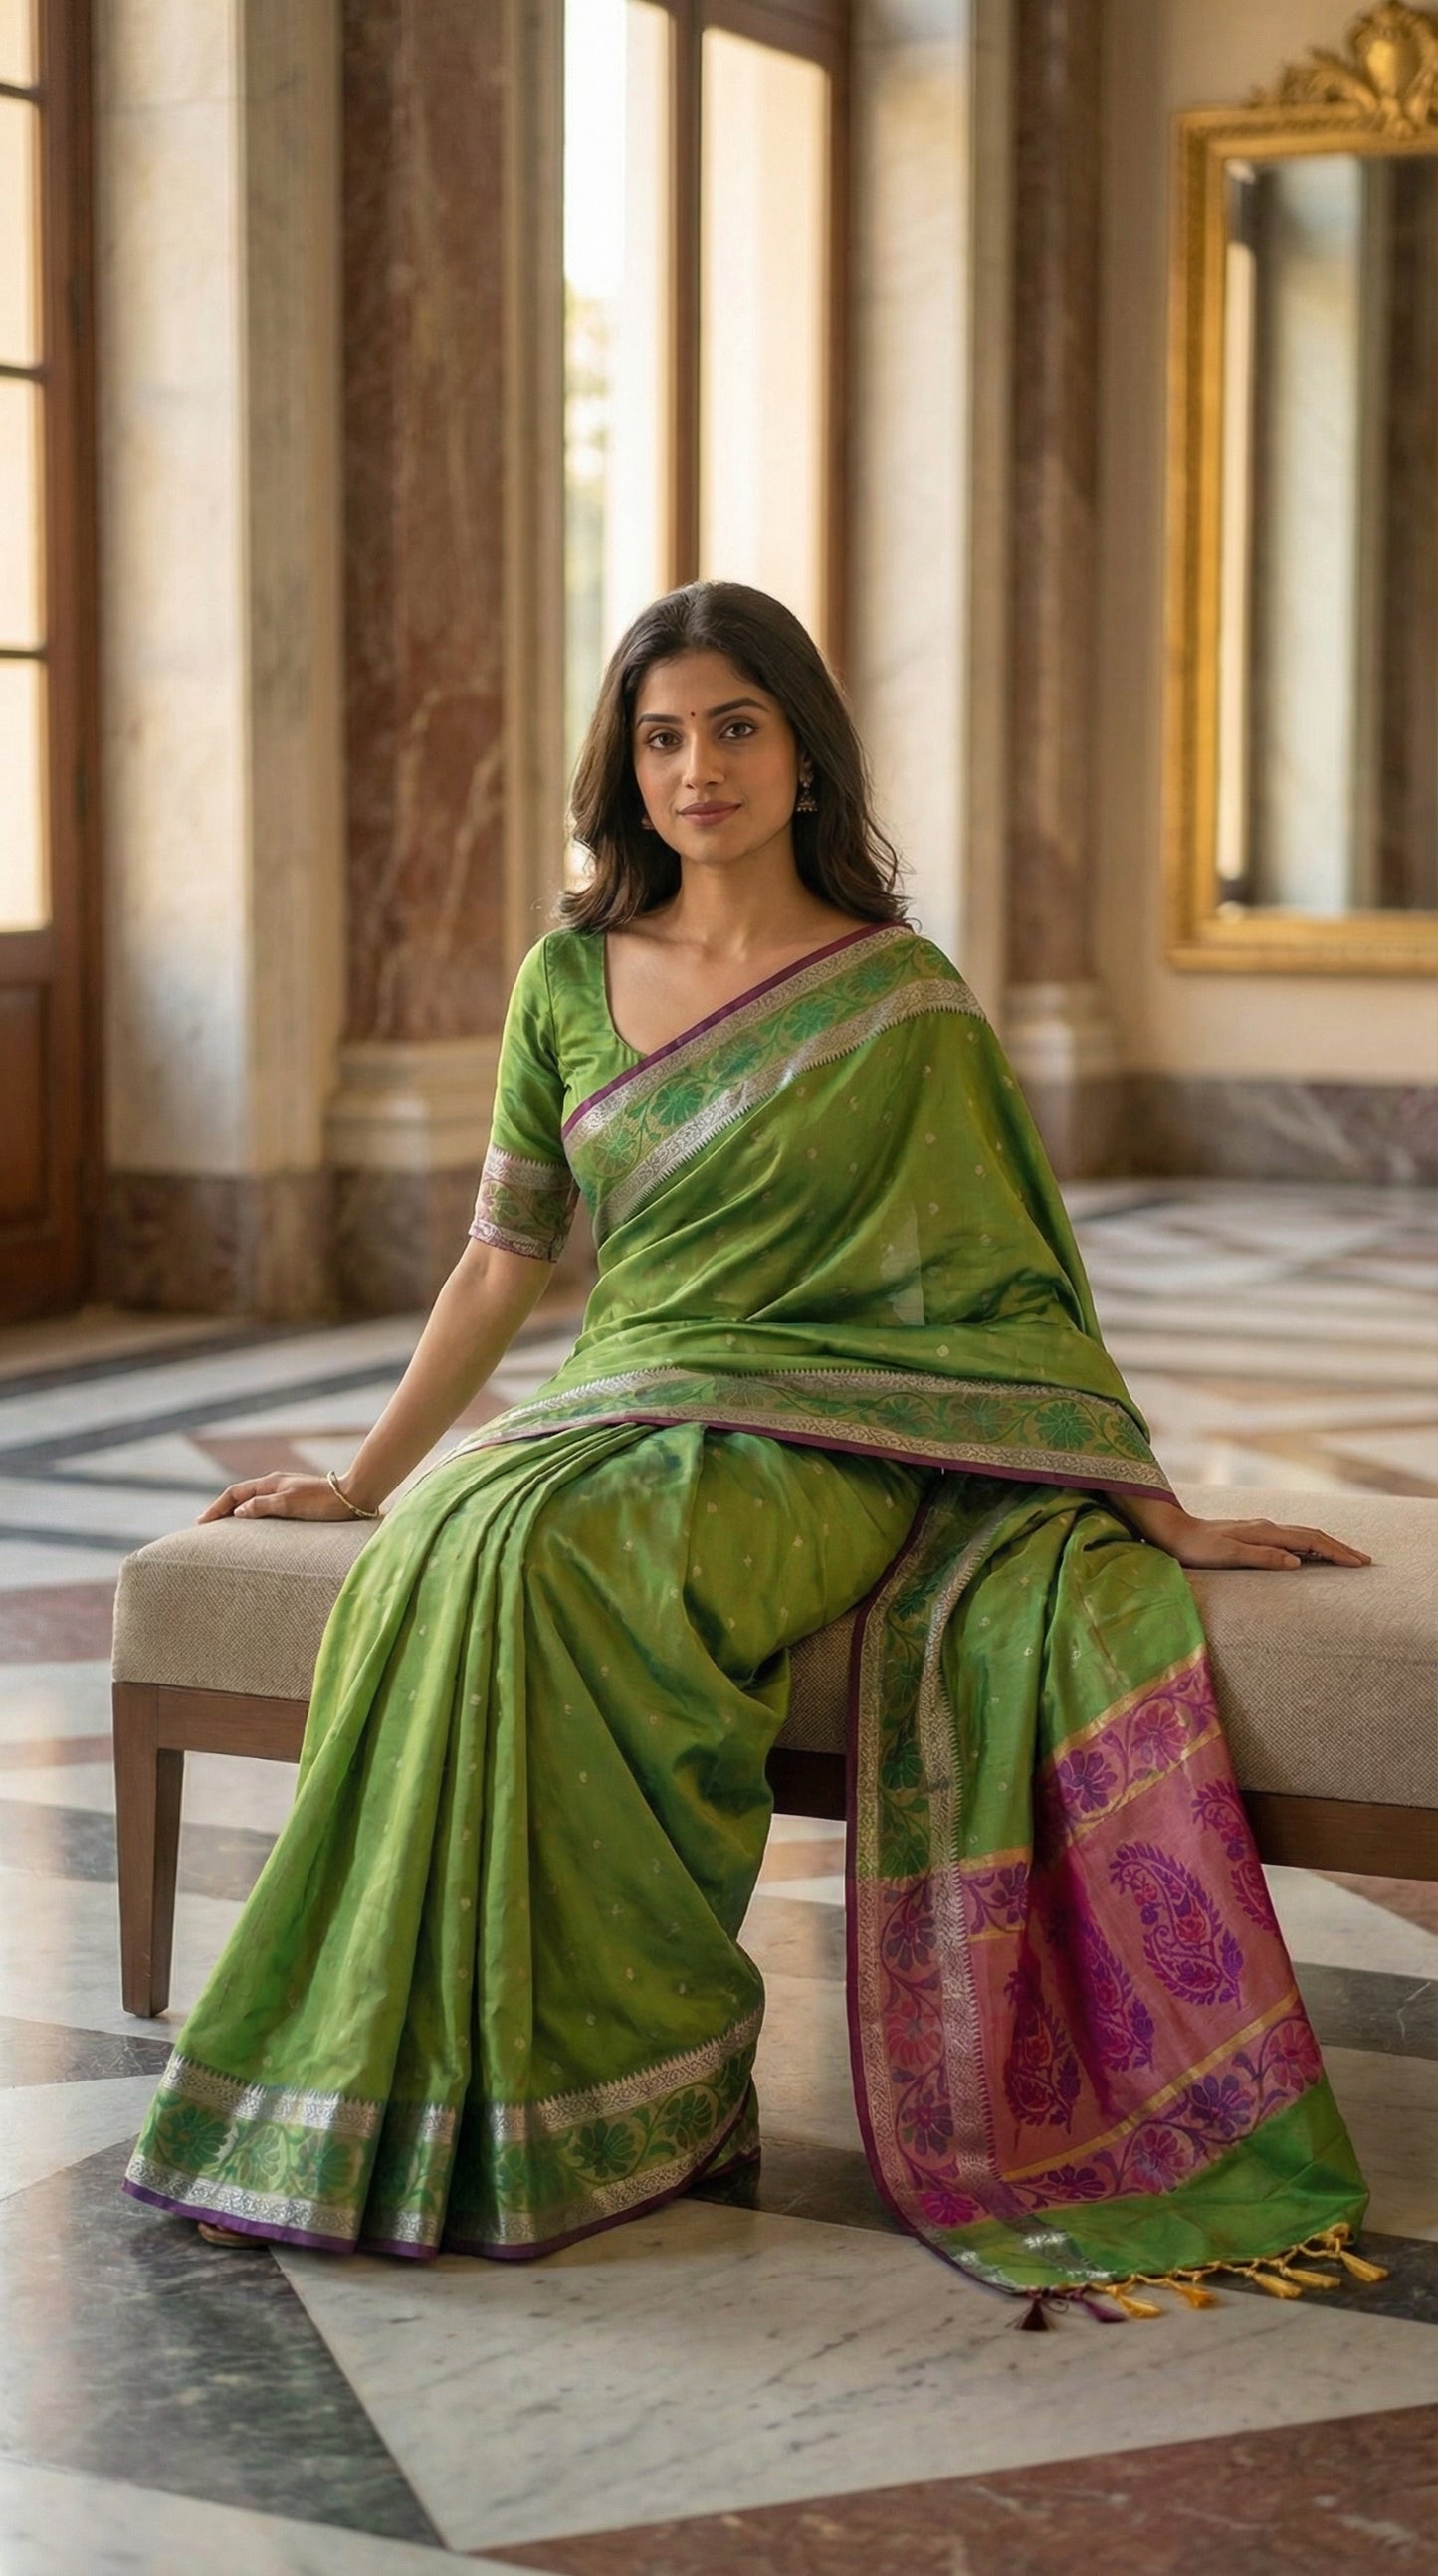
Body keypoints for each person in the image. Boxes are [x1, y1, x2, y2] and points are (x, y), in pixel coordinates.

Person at [125, 582, 1376, 2317]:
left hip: (835, 1430)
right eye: (657, 737)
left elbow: (1009, 1282)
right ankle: (447, 2070)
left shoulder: (898, 996)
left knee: (577, 1561)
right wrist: (365, 1477)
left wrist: (1146, 1505)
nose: (693, 767)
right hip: (617, 1394)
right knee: (460, 1547)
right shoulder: (564, 978)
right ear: (622, 772)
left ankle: (647, 2064)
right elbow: (503, 1256)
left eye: (731, 727)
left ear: (800, 756)